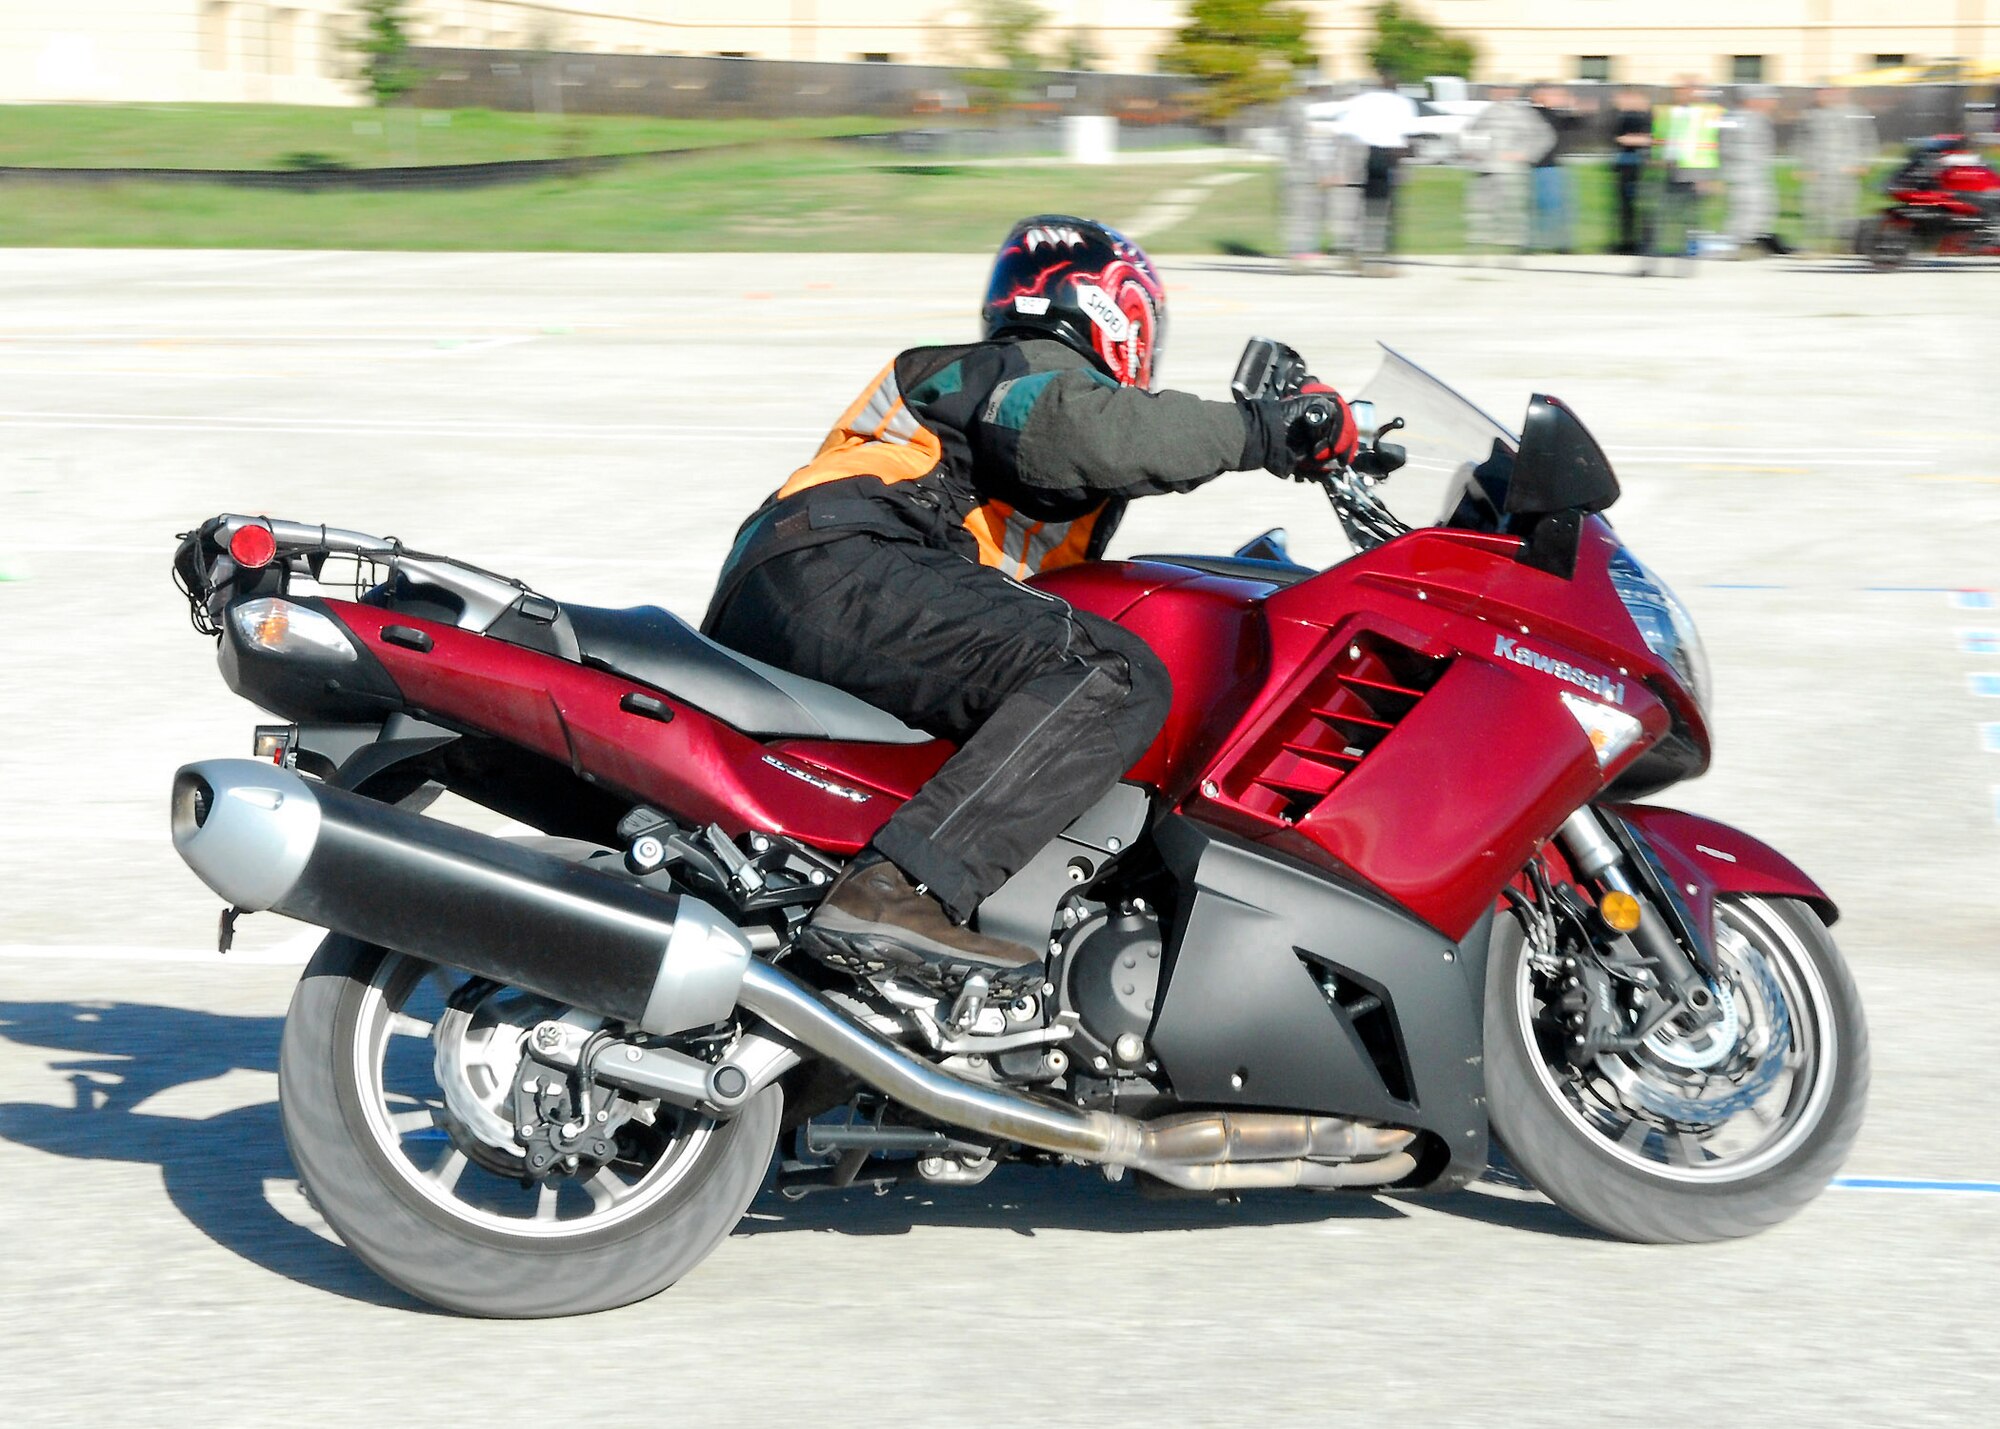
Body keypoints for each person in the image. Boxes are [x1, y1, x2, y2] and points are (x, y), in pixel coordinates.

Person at [702, 215, 1357, 989]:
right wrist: (1266, 429)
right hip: (843, 564)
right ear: (1109, 308)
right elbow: (1084, 432)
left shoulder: (1014, 422)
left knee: (1067, 678)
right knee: (1110, 674)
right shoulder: (1019, 374)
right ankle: (894, 892)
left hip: (814, 579)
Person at [1333, 70, 1419, 273]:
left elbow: (1345, 127)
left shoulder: (1364, 100)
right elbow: (1409, 135)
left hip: (1362, 153)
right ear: (1396, 86)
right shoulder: (1403, 103)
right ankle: (1376, 258)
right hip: (1388, 157)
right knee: (1383, 210)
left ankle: (1357, 252)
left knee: (1362, 209)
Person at [1463, 84, 1551, 257]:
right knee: (1481, 208)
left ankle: (1514, 246)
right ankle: (1477, 246)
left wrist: (1524, 154)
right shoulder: (1488, 112)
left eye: (1502, 91)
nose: (1498, 94)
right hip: (1486, 167)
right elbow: (1469, 132)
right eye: (1495, 91)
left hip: (1510, 170)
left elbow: (1545, 136)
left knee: (1512, 209)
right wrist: (1473, 153)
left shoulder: (1523, 114)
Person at [1649, 79, 1723, 272]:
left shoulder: (1709, 113)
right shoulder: (1666, 112)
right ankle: (1653, 260)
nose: (1683, 94)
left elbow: (1716, 145)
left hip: (1695, 174)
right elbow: (1659, 139)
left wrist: (1710, 177)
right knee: (1661, 219)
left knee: (1689, 220)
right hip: (1671, 171)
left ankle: (1686, 261)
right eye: (1680, 90)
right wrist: (1656, 158)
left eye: (1688, 91)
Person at [1799, 87, 1878, 253]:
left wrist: (1864, 163)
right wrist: (1804, 166)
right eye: (1818, 92)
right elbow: (1802, 141)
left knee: (1845, 211)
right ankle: (1815, 247)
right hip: (1819, 171)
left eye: (1825, 92)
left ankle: (1846, 247)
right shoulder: (1811, 114)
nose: (1820, 96)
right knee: (1816, 211)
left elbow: (1868, 138)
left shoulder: (1855, 112)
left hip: (1846, 171)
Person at [1721, 86, 1785, 254]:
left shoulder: (1760, 118)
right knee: (1745, 209)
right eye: (1765, 99)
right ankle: (1736, 244)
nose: (1770, 103)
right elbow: (1725, 146)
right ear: (1751, 100)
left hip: (1758, 172)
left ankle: (1752, 243)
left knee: (1763, 208)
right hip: (1742, 172)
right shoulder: (1733, 118)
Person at [1528, 83, 1579, 251]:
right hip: (1541, 167)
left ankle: (1559, 243)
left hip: (1552, 166)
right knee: (1541, 206)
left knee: (1557, 207)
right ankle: (1536, 242)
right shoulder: (1537, 114)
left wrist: (1571, 107)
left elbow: (1574, 124)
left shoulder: (1552, 114)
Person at [1609, 87, 1654, 254]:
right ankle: (1626, 241)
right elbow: (1616, 137)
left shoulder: (1649, 117)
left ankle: (1644, 242)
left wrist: (1633, 140)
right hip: (1625, 166)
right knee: (1625, 208)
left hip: (1642, 166)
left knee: (1643, 206)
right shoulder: (1623, 117)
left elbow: (1651, 139)